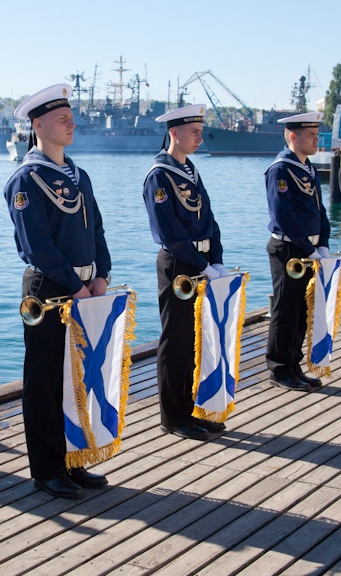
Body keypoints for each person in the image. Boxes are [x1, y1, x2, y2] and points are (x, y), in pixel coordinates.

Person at [4, 83, 112, 499]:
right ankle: (47, 469)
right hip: (50, 290)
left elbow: (97, 229)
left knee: (76, 380)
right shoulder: (26, 179)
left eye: (70, 115)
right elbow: (37, 246)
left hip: (85, 287)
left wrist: (101, 273)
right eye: (61, 117)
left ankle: (73, 459)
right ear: (37, 125)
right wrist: (76, 287)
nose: (71, 122)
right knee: (45, 381)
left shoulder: (79, 175)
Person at [142, 104, 226, 441]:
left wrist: (216, 259)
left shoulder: (189, 170)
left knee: (195, 340)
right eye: (195, 131)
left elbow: (208, 218)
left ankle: (190, 409)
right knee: (175, 341)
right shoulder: (159, 176)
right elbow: (169, 232)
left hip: (202, 265)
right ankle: (173, 416)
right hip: (180, 266)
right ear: (174, 133)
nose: (200, 137)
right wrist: (202, 264)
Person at [264, 112, 331, 392]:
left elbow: (319, 209)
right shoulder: (281, 169)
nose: (317, 139)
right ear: (293, 137)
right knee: (286, 309)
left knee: (303, 310)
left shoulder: (308, 168)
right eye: (311, 135)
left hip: (308, 248)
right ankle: (279, 369)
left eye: (316, 134)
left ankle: (294, 365)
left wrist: (323, 243)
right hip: (289, 248)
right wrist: (307, 247)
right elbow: (284, 214)